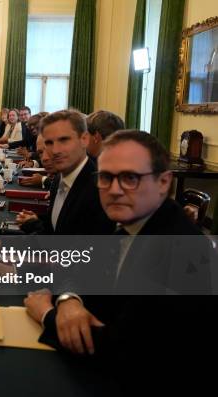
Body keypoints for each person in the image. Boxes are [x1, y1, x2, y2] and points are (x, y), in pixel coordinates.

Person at [24, 130, 217, 392]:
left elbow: (122, 355)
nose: (114, 190)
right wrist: (70, 300)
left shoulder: (180, 249)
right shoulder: (133, 223)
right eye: (105, 177)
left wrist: (46, 314)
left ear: (163, 182)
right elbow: (83, 269)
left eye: (130, 178)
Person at [16, 110, 115, 235]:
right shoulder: (59, 178)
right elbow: (56, 229)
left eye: (64, 140)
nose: (55, 150)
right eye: (49, 143)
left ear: (84, 139)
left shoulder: (100, 191)